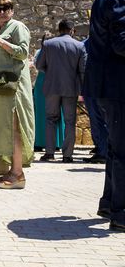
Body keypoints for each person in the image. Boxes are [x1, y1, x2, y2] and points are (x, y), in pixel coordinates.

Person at [83, 0, 125, 232]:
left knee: (115, 147)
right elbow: (122, 43)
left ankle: (110, 202)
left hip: (106, 84)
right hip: (118, 84)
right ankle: (120, 213)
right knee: (122, 151)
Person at [0, 0, 35, 188]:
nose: (2, 12)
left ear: (12, 10)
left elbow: (22, 52)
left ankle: (18, 174)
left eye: (6, 8)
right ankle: (9, 170)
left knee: (14, 128)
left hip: (13, 88)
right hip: (0, 88)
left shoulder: (17, 27)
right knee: (4, 128)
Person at [35, 19, 86, 163]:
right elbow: (83, 70)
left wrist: (50, 72)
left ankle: (50, 153)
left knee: (50, 119)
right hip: (71, 88)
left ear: (59, 30)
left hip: (51, 86)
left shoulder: (48, 44)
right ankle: (67, 155)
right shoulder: (79, 46)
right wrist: (82, 88)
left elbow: (39, 65)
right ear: (72, 30)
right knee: (70, 121)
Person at [33, 34, 66, 153]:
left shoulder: (58, 52)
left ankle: (56, 142)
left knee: (57, 112)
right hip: (42, 82)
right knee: (41, 112)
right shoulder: (39, 52)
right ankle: (40, 142)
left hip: (53, 81)